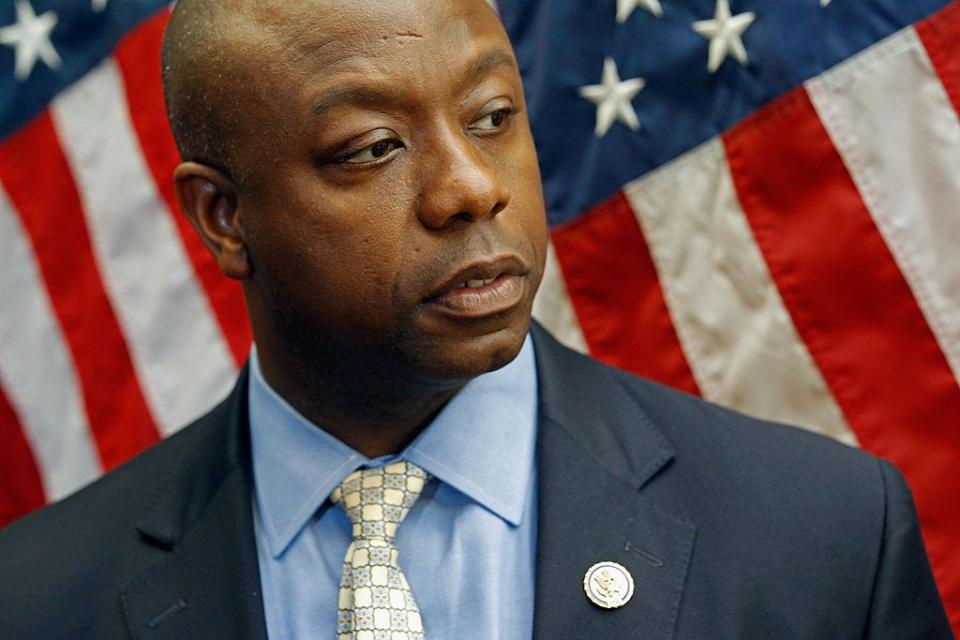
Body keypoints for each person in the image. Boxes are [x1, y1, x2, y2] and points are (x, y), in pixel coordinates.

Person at [0, 0, 952, 638]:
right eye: (373, 148)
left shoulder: (823, 543)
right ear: (225, 215)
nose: (469, 188)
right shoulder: (37, 601)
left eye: (493, 115)